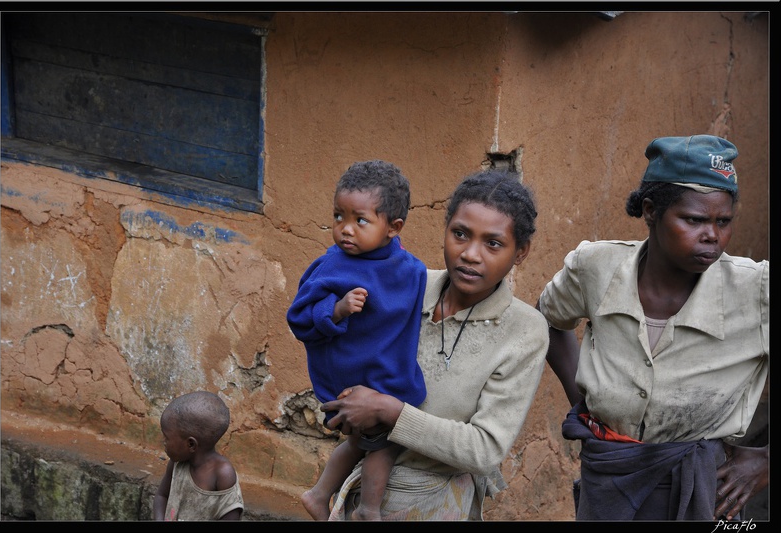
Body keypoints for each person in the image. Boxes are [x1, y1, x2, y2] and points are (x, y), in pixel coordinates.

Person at [539, 134, 769, 521]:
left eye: (723, 221)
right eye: (694, 220)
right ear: (651, 210)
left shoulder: (756, 290)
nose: (712, 235)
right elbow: (548, 319)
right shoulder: (595, 267)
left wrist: (765, 461)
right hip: (609, 476)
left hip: (708, 490)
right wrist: (583, 397)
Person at [319, 168, 549, 520]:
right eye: (460, 234)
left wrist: (389, 411)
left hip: (439, 502)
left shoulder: (523, 331)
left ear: (520, 252)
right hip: (362, 494)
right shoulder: (405, 285)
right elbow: (352, 356)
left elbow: (484, 449)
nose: (471, 254)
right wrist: (350, 407)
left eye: (493, 243)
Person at [286, 160, 428, 521]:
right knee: (387, 441)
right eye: (338, 217)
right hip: (348, 378)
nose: (345, 230)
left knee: (361, 442)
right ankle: (368, 509)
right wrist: (335, 310)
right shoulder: (332, 267)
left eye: (360, 220)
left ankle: (318, 494)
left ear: (393, 228)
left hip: (383, 373)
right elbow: (299, 318)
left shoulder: (410, 269)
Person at [153, 391, 244, 521]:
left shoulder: (223, 474)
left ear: (191, 444)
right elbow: (161, 496)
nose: (163, 442)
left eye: (166, 437)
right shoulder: (176, 464)